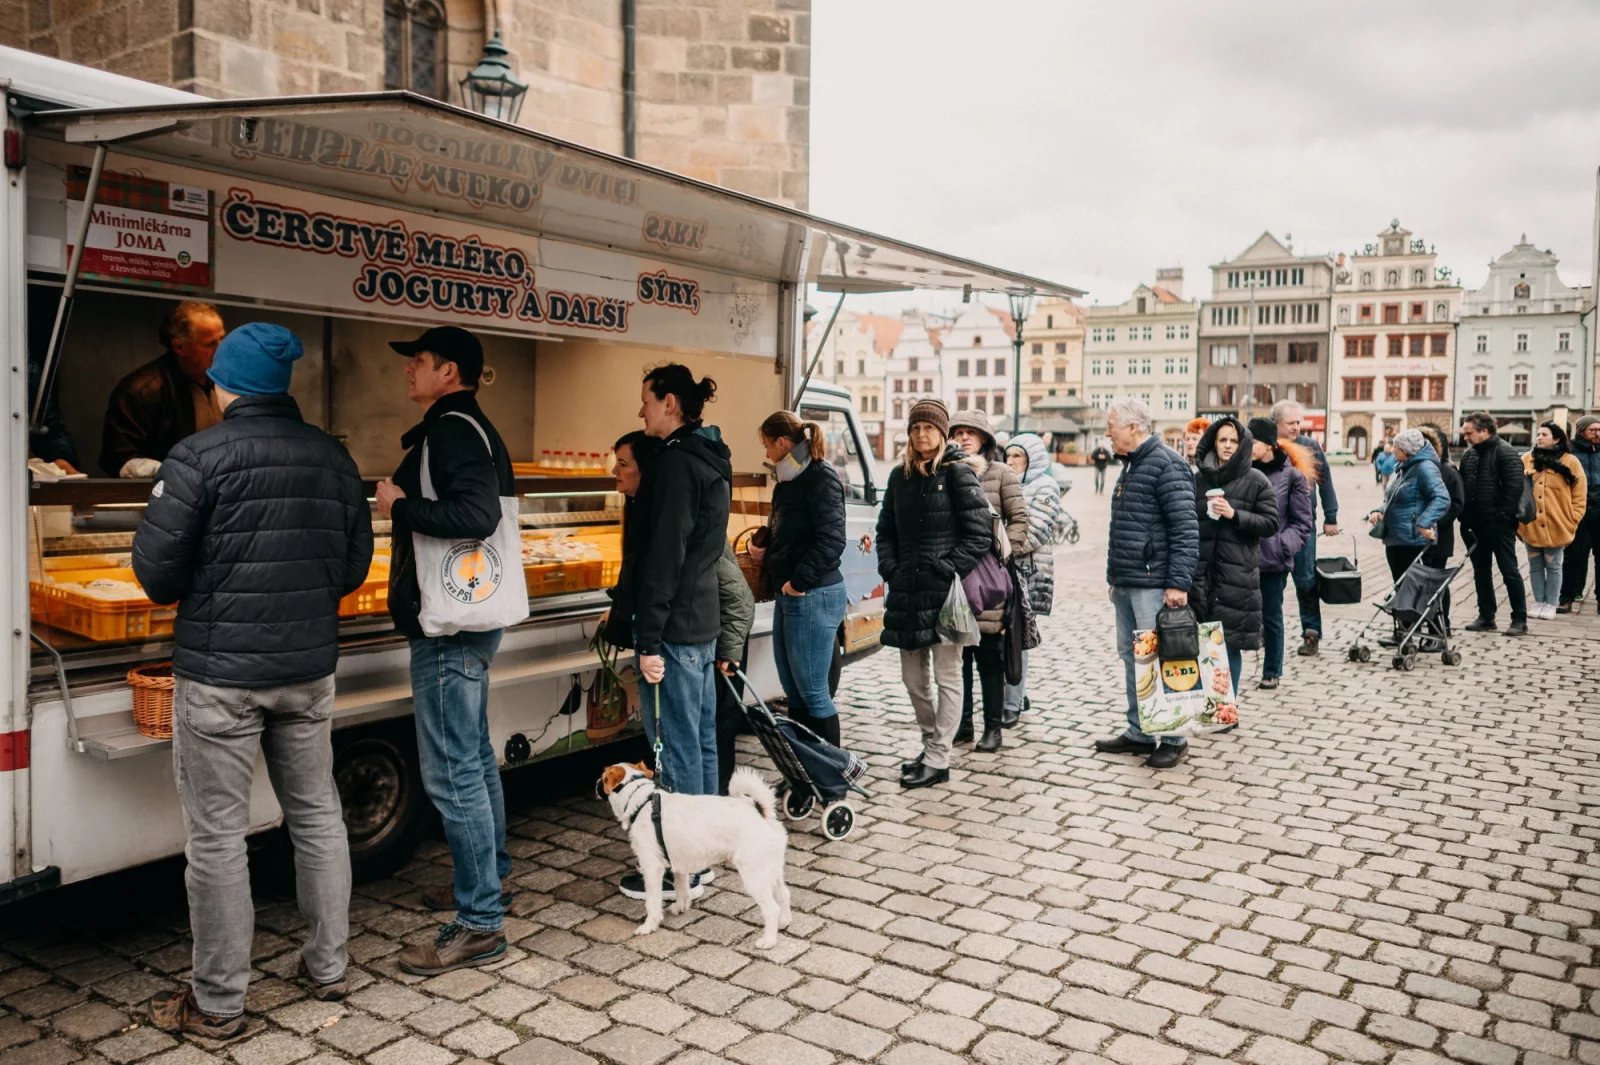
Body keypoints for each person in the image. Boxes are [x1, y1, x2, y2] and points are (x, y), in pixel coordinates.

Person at [132, 324, 372, 1040]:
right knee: (318, 815)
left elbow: (156, 575)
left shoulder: (198, 456)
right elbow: (353, 569)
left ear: (223, 384)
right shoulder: (334, 458)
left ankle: (219, 1004)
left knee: (217, 839)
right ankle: (328, 966)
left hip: (220, 678)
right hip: (307, 672)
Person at [374, 325, 516, 974]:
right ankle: (490, 879)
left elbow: (475, 514)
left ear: (449, 370)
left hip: (449, 624)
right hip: (469, 616)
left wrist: (400, 506)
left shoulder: (453, 429)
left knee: (453, 770)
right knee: (474, 762)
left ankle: (480, 920)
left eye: (420, 363)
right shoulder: (470, 425)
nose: (410, 372)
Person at [617, 363, 733, 897]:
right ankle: (708, 848)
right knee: (701, 741)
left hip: (675, 627)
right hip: (700, 619)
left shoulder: (673, 465)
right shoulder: (709, 454)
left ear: (669, 403)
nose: (640, 410)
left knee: (677, 745)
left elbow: (664, 557)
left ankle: (688, 862)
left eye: (645, 399)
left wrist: (647, 638)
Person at [606, 431, 754, 796]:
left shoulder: (673, 518)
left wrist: (651, 645)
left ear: (648, 471)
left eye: (624, 464)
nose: (614, 471)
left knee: (678, 746)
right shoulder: (649, 509)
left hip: (680, 639)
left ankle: (688, 838)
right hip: (691, 635)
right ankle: (703, 830)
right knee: (697, 741)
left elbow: (735, 593)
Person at [877, 399, 990, 789]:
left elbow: (979, 534)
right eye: (916, 428)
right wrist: (890, 568)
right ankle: (930, 744)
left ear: (941, 433)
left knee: (947, 676)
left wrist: (946, 568)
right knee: (912, 679)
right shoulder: (899, 477)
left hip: (944, 595)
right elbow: (885, 531)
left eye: (929, 428)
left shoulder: (957, 473)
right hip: (907, 591)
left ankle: (940, 756)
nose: (922, 434)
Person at [1093, 398, 1198, 770]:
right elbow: (1123, 527)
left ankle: (1173, 737)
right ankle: (1139, 731)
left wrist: (1177, 583)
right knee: (1133, 656)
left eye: (1111, 426)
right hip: (1129, 580)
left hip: (1155, 583)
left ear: (1133, 428)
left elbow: (1185, 529)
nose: (1108, 433)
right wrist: (1114, 576)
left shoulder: (1166, 465)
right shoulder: (1133, 464)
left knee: (1162, 657)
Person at [747, 411, 848, 748]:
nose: (765, 454)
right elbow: (793, 535)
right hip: (792, 593)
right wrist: (766, 548)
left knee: (813, 692)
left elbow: (832, 541)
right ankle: (807, 775)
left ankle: (832, 778)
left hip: (812, 593)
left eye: (766, 446)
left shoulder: (821, 477)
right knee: (794, 692)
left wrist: (799, 582)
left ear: (781, 443)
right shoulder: (787, 480)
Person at [949, 410, 1028, 753]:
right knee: (958, 657)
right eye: (959, 432)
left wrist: (1001, 555)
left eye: (972, 432)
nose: (965, 438)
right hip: (955, 577)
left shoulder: (1001, 474)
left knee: (989, 657)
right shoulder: (947, 472)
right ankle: (963, 724)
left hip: (990, 580)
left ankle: (992, 727)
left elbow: (1020, 519)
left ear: (985, 438)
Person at [1189, 417, 1278, 695]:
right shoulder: (1199, 479)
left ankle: (1227, 707)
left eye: (1233, 441)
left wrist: (1235, 515)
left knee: (1228, 644)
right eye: (1222, 440)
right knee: (1203, 642)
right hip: (1202, 572)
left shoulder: (1256, 480)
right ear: (1213, 443)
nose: (1227, 446)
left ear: (1243, 445)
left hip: (1236, 575)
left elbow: (1270, 523)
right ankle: (1208, 705)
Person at [100, 301, 227, 477]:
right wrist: (160, 471)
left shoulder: (229, 381)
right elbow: (118, 458)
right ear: (179, 347)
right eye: (210, 344)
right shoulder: (141, 392)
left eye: (222, 339)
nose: (221, 349)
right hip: (167, 494)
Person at [1248, 417, 1314, 690]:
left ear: (1270, 444)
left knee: (1271, 615)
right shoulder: (1243, 471)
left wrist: (1281, 546)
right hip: (1242, 557)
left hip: (1273, 560)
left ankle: (1272, 669)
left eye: (1253, 442)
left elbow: (1302, 523)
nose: (1248, 447)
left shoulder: (1292, 476)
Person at [1002, 432, 1062, 723]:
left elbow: (1035, 532)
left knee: (1018, 638)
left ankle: (1011, 704)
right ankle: (1015, 693)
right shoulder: (1004, 481)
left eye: (1018, 456)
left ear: (1032, 459)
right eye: (1009, 455)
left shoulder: (1045, 487)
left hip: (1028, 573)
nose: (1011, 461)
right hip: (1002, 569)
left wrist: (997, 546)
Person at [1272, 401, 1340, 658]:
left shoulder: (1310, 447)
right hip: (1272, 527)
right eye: (1291, 423)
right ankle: (1268, 630)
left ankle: (1311, 633)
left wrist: (1331, 515)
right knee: (1271, 582)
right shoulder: (1266, 446)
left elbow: (1326, 481)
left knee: (1306, 581)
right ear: (1276, 422)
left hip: (1303, 526)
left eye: (1298, 422)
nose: (1296, 427)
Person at [1459, 411, 1529, 636]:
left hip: (1499, 525)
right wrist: (1465, 518)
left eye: (1469, 433)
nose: (1466, 438)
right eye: (1464, 434)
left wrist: (1502, 517)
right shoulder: (1469, 456)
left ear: (1485, 430)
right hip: (1475, 526)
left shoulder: (1506, 452)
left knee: (1509, 571)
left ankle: (1520, 619)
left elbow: (1514, 489)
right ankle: (1486, 616)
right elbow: (1464, 488)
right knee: (1481, 572)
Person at [1518, 421, 1587, 620]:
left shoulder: (1570, 461)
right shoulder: (1527, 459)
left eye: (1544, 434)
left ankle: (1551, 603)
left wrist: (1573, 518)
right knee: (1535, 565)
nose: (1539, 437)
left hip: (1558, 524)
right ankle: (1539, 601)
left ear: (1556, 438)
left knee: (1554, 565)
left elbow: (1580, 493)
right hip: (1531, 523)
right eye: (1538, 434)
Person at [1366, 428, 1449, 583]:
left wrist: (1424, 523)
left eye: (1397, 446)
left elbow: (1442, 498)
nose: (1393, 449)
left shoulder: (1425, 467)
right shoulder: (1402, 467)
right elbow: (1392, 499)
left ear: (1407, 449)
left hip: (1412, 541)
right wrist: (1379, 511)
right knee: (1401, 588)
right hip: (1396, 538)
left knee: (1412, 591)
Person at [1416, 425, 1464, 627]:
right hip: (1416, 537)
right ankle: (1415, 623)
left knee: (1437, 583)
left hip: (1439, 537)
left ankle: (1441, 625)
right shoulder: (1415, 469)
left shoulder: (1448, 471)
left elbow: (1456, 504)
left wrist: (1434, 522)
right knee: (1417, 583)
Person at [1559, 415, 1600, 613]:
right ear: (1582, 431)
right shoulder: (1570, 451)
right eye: (1593, 430)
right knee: (1573, 555)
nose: (1597, 433)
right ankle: (1566, 596)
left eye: (1599, 430)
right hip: (1577, 510)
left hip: (1599, 509)